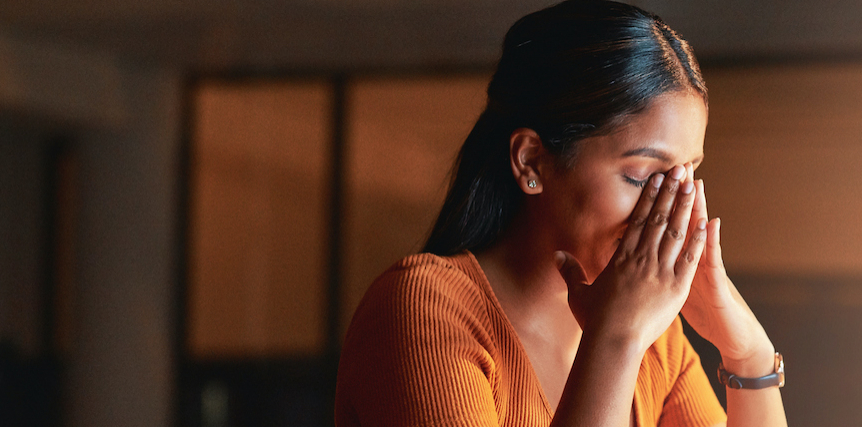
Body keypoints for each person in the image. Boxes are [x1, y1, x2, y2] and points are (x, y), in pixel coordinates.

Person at [335, 1, 787, 426]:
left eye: (686, 178)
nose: (671, 213)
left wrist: (747, 356)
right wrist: (614, 341)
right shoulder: (422, 310)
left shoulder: (657, 344)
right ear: (532, 161)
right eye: (643, 178)